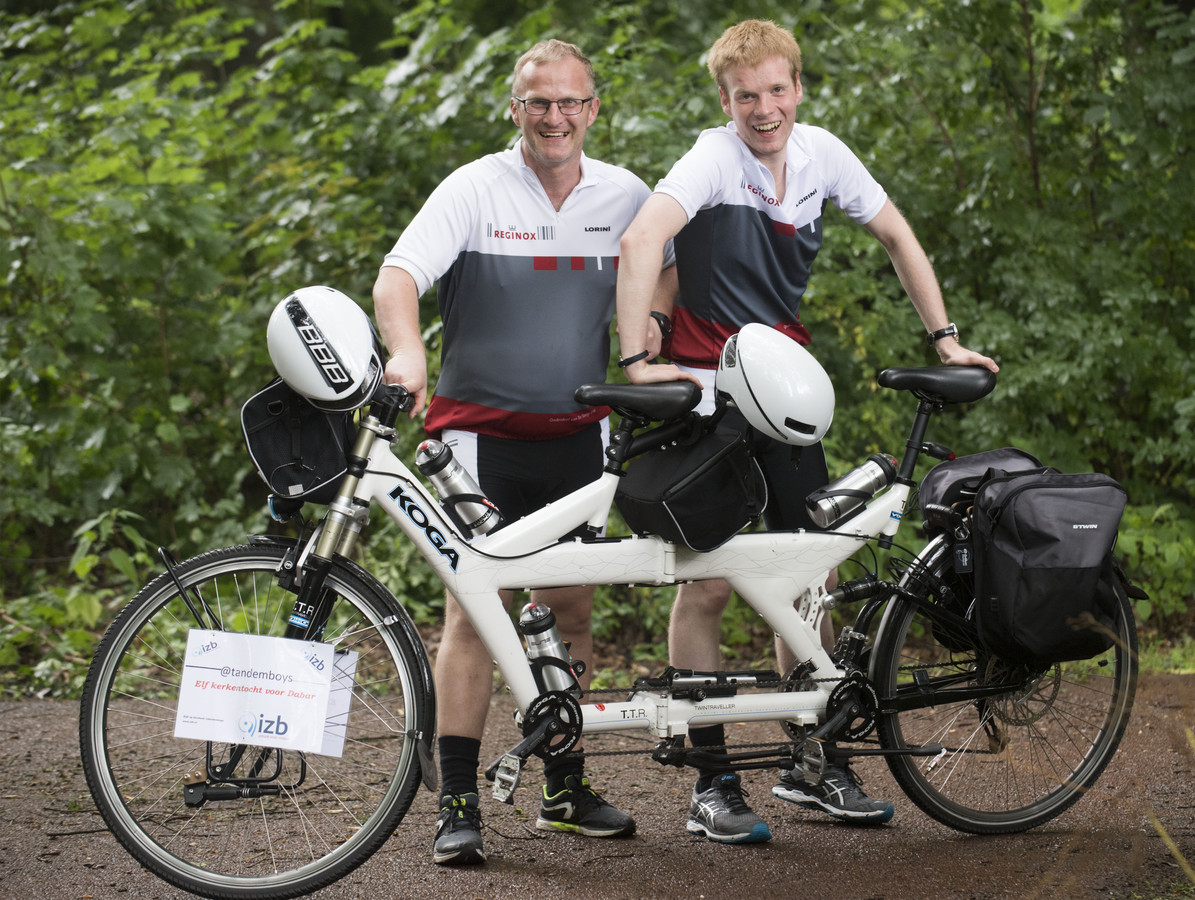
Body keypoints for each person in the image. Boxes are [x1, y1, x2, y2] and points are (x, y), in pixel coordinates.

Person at [614, 20, 999, 844]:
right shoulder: (713, 156)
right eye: (745, 94)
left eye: (776, 90)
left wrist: (945, 339)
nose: (763, 108)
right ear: (725, 100)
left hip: (786, 396)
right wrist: (636, 359)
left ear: (798, 88)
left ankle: (812, 761)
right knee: (708, 585)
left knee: (805, 578)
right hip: (711, 393)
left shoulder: (821, 154)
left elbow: (897, 235)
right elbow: (643, 238)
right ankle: (711, 781)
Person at [373, 39, 673, 865]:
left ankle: (563, 788)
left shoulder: (625, 194)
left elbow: (666, 274)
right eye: (539, 103)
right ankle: (458, 804)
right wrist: (407, 354)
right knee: (476, 612)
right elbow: (397, 278)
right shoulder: (474, 187)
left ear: (593, 109)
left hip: (578, 437)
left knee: (571, 611)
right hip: (476, 436)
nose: (555, 118)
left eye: (571, 103)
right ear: (516, 108)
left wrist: (650, 330)